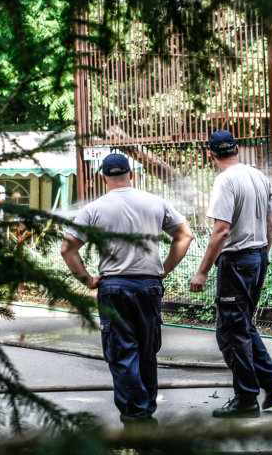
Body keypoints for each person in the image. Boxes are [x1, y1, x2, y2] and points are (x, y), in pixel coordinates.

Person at [61, 153, 194, 426]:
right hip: (149, 286)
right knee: (147, 352)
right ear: (131, 174)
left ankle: (136, 418)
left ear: (103, 177)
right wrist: (164, 268)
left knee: (123, 355)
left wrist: (87, 279)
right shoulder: (156, 203)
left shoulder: (95, 209)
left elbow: (68, 249)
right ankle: (145, 413)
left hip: (115, 288)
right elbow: (185, 235)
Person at [190, 130, 272, 418]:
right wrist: (263, 256)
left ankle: (246, 399)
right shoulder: (258, 176)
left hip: (237, 260)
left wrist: (201, 272)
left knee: (231, 331)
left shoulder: (224, 180)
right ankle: (271, 382)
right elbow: (270, 223)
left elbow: (221, 230)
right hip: (258, 255)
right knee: (244, 325)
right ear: (236, 149)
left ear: (210, 155)